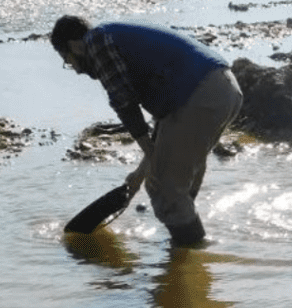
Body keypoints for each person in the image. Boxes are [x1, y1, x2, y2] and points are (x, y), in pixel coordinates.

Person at [51, 15, 243, 244]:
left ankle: (189, 256)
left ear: (73, 46)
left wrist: (154, 158)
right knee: (176, 183)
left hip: (199, 95)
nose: (74, 70)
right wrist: (140, 173)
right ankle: (184, 241)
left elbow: (123, 102)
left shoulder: (96, 41)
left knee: (164, 187)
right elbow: (164, 125)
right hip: (224, 90)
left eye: (67, 60)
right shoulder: (115, 36)